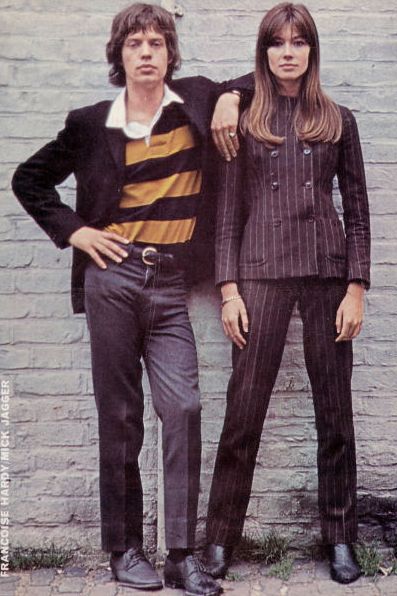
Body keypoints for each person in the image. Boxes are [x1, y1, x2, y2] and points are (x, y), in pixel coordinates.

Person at [12, 4, 242, 594]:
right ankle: (125, 550)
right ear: (119, 55)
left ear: (170, 54)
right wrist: (76, 231)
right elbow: (28, 179)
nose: (146, 52)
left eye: (157, 43)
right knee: (120, 418)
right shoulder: (90, 123)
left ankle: (181, 554)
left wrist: (230, 101)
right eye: (135, 43)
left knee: (184, 407)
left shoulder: (193, 99)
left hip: (169, 287)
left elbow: (251, 81)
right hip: (111, 282)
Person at [203, 2, 370, 585]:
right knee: (243, 413)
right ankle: (220, 539)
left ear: (311, 50)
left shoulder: (339, 119)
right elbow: (226, 212)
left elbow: (357, 212)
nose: (289, 52)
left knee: (335, 415)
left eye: (299, 42)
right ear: (265, 51)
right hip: (260, 274)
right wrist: (229, 288)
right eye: (278, 42)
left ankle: (341, 538)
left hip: (326, 274)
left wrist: (356, 287)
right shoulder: (243, 117)